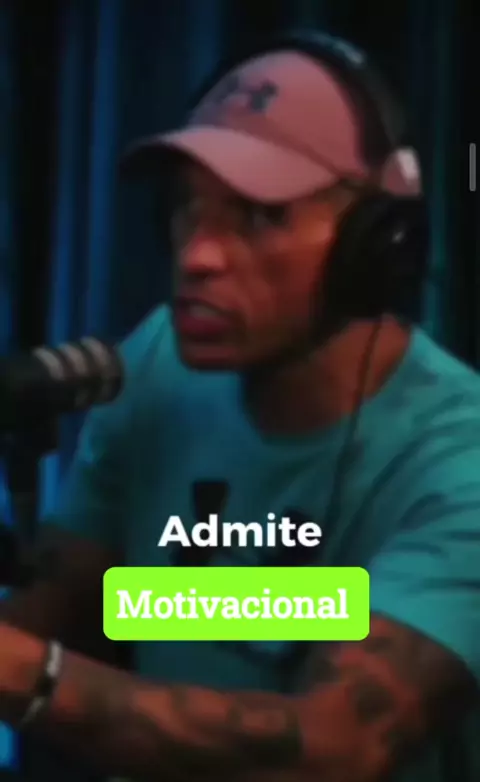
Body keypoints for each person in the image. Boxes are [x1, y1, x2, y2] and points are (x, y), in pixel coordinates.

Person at [1, 29, 480, 782]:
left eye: (261, 215)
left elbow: (333, 747)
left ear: (375, 243)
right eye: (186, 209)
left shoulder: (460, 460)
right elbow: (65, 612)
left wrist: (37, 673)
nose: (197, 255)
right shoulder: (158, 360)